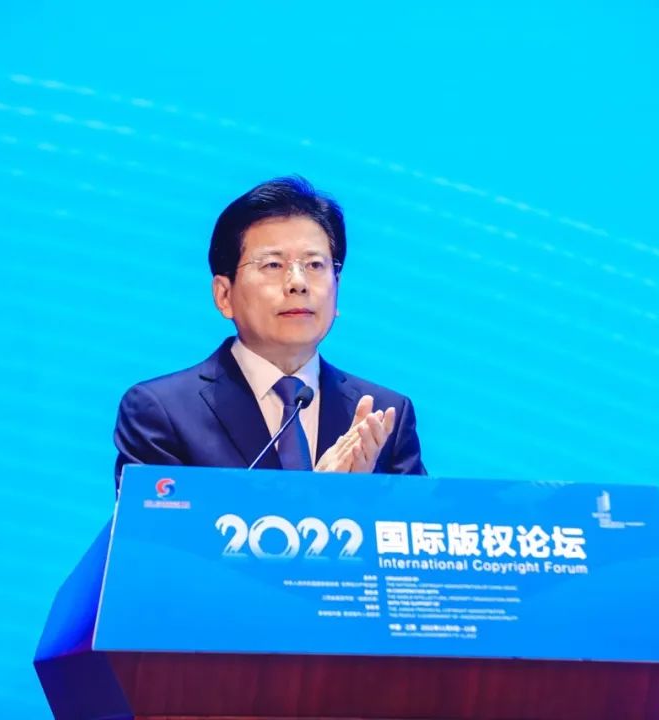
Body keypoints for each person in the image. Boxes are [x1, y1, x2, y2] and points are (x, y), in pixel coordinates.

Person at [113, 176, 426, 491]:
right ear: (224, 295)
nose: (298, 283)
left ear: (337, 287)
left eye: (315, 265)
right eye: (273, 265)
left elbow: (420, 521)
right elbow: (158, 523)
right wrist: (321, 496)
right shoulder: (163, 412)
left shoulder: (384, 415)